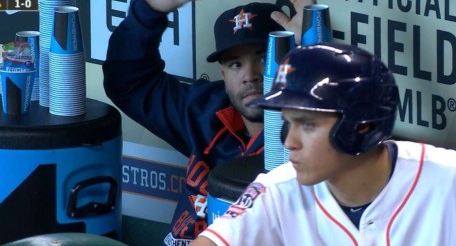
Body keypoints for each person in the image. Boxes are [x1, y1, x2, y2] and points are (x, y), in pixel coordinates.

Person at [103, 0, 316, 244]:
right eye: (235, 64)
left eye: (264, 59)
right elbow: (129, 84)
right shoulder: (205, 110)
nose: (249, 75)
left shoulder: (313, 134)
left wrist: (313, 54)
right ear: (223, 73)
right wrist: (147, 14)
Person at [190, 43, 456, 246]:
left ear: (362, 124)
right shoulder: (279, 189)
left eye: (307, 124)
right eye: (288, 123)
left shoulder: (446, 181)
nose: (290, 142)